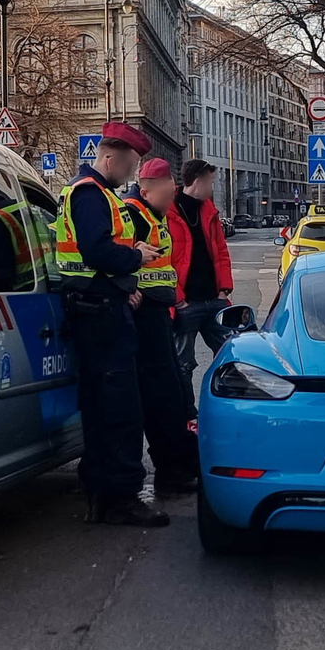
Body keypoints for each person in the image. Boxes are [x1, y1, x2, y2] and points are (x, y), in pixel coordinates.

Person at [53, 121, 169, 527]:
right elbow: (97, 249)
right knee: (119, 405)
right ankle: (120, 495)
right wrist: (136, 259)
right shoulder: (90, 194)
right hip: (98, 312)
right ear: (109, 157)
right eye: (130, 164)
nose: (132, 173)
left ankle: (101, 491)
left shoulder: (90, 191)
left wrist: (124, 279)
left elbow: (92, 253)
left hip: (97, 304)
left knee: (104, 405)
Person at [126, 158, 199, 497]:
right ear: (146, 190)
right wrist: (129, 287)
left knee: (170, 393)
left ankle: (177, 466)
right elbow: (108, 256)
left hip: (158, 313)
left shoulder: (153, 215)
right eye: (168, 193)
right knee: (161, 395)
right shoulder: (133, 215)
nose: (172, 199)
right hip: (143, 318)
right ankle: (170, 471)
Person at [168, 158, 237, 374]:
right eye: (211, 182)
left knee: (234, 356)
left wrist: (224, 290)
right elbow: (163, 261)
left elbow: (221, 252)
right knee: (182, 365)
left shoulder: (209, 210)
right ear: (198, 181)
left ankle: (229, 403)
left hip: (214, 299)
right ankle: (186, 409)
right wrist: (178, 300)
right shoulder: (168, 210)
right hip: (186, 303)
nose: (212, 187)